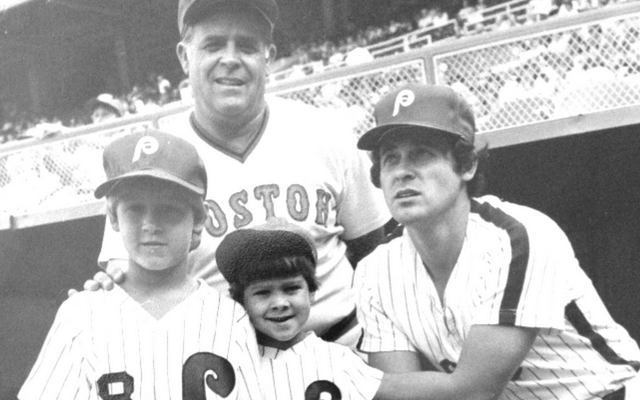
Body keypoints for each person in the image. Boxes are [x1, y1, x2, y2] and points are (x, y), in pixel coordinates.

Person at [88, 0, 390, 350]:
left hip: (340, 346)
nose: (230, 58)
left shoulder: (326, 132)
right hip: (223, 367)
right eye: (213, 45)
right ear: (185, 57)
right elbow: (131, 282)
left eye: (246, 45)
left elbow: (372, 252)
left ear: (269, 56)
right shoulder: (154, 161)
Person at [353, 82, 640, 399]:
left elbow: (474, 391)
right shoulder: (373, 272)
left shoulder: (518, 236)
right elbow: (401, 395)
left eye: (422, 154)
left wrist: (340, 378)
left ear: (467, 164)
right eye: (391, 158)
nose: (402, 172)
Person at [21, 130, 264, 399]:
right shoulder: (80, 315)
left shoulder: (231, 318)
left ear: (198, 220)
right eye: (135, 209)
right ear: (113, 216)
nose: (150, 225)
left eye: (168, 210)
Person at [215, 218, 385, 400]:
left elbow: (399, 390)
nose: (280, 303)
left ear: (311, 291)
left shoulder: (337, 360)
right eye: (263, 292)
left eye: (291, 289)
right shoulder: (229, 361)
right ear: (240, 300)